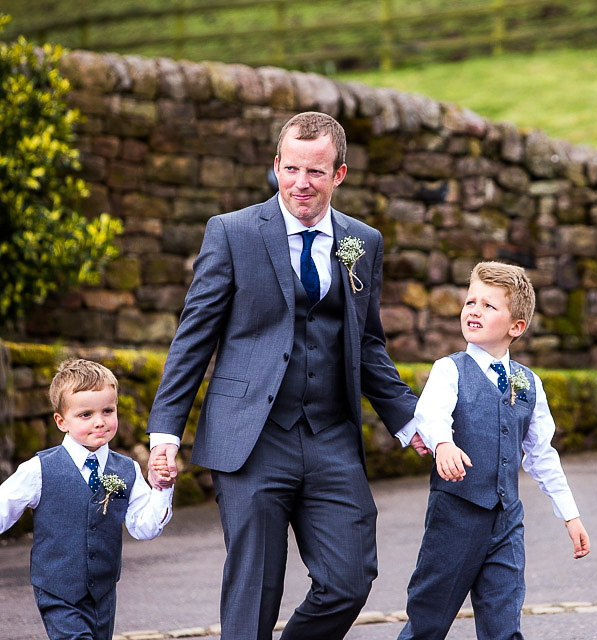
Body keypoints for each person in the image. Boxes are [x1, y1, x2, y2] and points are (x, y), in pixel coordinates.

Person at [146, 111, 425, 640]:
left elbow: (367, 346)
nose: (301, 183)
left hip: (330, 437)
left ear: (338, 175)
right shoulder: (232, 233)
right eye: (291, 169)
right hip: (250, 440)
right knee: (255, 592)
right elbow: (193, 338)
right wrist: (166, 432)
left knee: (349, 578)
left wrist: (413, 425)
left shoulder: (362, 242)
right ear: (276, 165)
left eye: (316, 172)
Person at [398, 261, 590, 640]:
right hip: (454, 519)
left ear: (516, 327)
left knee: (504, 627)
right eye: (471, 302)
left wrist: (570, 515)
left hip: (506, 524)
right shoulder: (448, 370)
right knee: (428, 622)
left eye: (489, 306)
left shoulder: (528, 383)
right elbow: (430, 412)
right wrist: (443, 443)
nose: (474, 311)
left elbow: (540, 454)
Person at [0, 359, 173, 640]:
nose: (100, 422)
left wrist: (162, 488)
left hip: (104, 592)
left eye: (108, 410)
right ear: (61, 421)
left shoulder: (126, 469)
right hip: (57, 589)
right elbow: (3, 508)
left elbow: (144, 528)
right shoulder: (39, 469)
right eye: (85, 415)